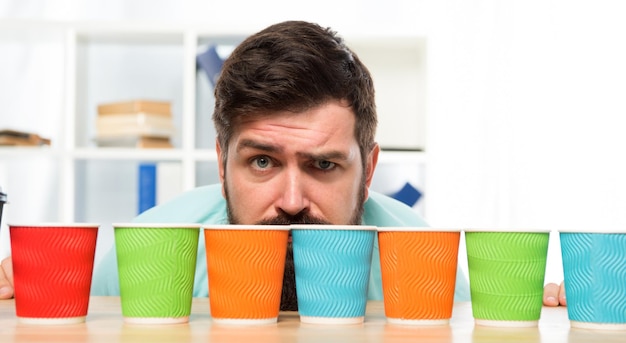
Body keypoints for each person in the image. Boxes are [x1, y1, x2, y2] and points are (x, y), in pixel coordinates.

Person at [0, 20, 565, 309]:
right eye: (263, 161)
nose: (292, 200)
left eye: (323, 165)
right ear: (222, 163)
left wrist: (542, 305)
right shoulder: (150, 248)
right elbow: (53, 292)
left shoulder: (420, 265)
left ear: (368, 172)